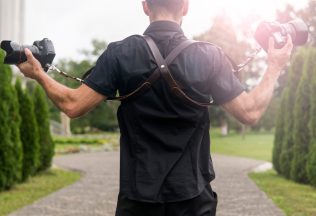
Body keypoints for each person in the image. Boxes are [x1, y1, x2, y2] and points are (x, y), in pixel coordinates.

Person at [17, 0, 293, 215]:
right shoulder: (209, 56)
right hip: (193, 198)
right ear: (185, 6)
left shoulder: (120, 53)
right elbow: (250, 112)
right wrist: (274, 66)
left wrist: (39, 74)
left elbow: (73, 105)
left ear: (145, 6)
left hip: (138, 199)